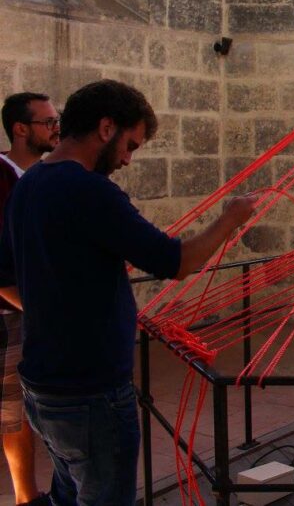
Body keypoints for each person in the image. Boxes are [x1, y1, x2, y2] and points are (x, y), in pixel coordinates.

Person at [0, 80, 258, 505]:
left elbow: (6, 273)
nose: (126, 159)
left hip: (44, 387)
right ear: (106, 128)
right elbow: (177, 262)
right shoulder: (90, 190)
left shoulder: (30, 184)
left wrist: (55, 311)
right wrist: (231, 219)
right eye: (130, 145)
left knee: (70, 492)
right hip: (91, 392)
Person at [0, 92, 59, 506]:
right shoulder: (3, 177)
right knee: (12, 410)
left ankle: (31, 493)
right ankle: (26, 496)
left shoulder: (39, 176)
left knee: (26, 406)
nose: (57, 129)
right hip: (11, 309)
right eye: (48, 122)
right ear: (21, 129)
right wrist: (38, 310)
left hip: (31, 307)